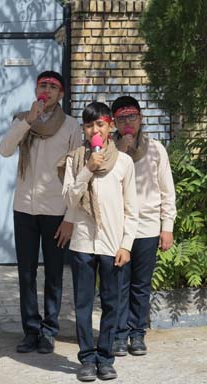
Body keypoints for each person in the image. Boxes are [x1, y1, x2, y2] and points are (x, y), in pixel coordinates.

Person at [0, 71, 81, 354]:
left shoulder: (71, 126)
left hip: (56, 210)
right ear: (36, 90)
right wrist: (27, 122)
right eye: (42, 85)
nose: (47, 90)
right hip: (24, 209)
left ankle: (49, 330)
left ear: (61, 94)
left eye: (53, 87)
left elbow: (77, 173)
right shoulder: (23, 119)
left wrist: (70, 217)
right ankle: (30, 330)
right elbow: (4, 149)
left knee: (54, 274)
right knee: (26, 273)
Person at [60, 101, 138, 382]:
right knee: (82, 304)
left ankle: (105, 358)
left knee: (111, 303)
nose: (95, 130)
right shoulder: (75, 159)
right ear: (84, 129)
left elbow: (131, 209)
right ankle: (86, 359)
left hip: (111, 244)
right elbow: (69, 199)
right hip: (82, 243)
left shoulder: (124, 163)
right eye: (89, 125)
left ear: (110, 127)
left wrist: (126, 245)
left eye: (100, 124)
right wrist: (88, 169)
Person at [111, 96, 176, 357]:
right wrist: (121, 151)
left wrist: (167, 226)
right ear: (114, 122)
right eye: (121, 118)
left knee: (141, 285)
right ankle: (118, 335)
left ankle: (137, 334)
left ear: (140, 118)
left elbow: (167, 190)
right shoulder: (108, 150)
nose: (127, 122)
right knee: (118, 284)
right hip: (117, 229)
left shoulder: (155, 149)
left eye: (132, 117)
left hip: (148, 227)